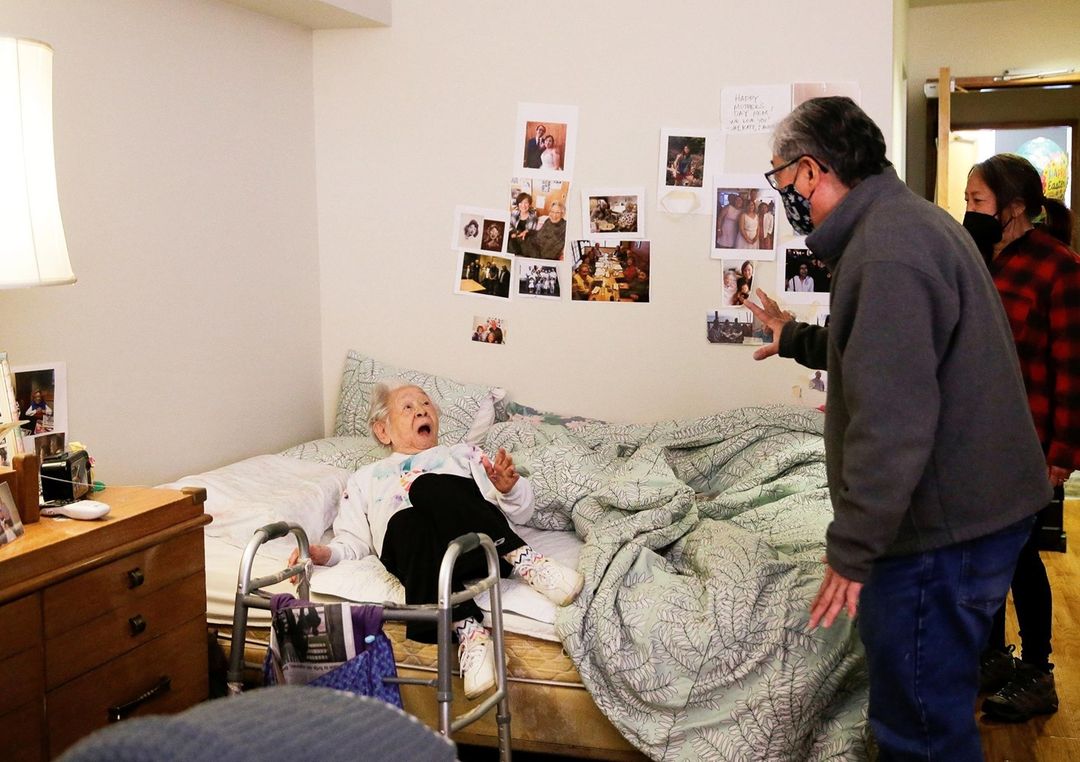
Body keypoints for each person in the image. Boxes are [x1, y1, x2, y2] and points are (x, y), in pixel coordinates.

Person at [745, 96, 1050, 760]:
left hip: (941, 536)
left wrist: (851, 550)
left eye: (780, 181)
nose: (783, 199)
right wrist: (794, 337)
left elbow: (893, 422)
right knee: (936, 713)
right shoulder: (905, 223)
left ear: (810, 171)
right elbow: (890, 352)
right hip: (980, 515)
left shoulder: (885, 251)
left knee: (918, 732)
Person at [289, 382, 584, 699]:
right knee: (404, 522)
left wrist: (509, 489)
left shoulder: (461, 455)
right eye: (407, 406)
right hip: (422, 563)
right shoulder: (365, 478)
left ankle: (527, 562)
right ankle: (470, 634)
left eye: (426, 404)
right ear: (383, 431)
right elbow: (353, 543)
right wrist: (324, 553)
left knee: (425, 486)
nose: (421, 409)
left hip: (478, 548)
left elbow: (518, 512)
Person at [963, 153, 1080, 722]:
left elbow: (1071, 367)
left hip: (1029, 440)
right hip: (974, 436)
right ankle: (994, 656)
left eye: (978, 202)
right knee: (984, 550)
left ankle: (1038, 672)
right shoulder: (980, 259)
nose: (968, 212)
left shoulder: (1057, 266)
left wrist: (1062, 453)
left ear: (1014, 207)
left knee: (1021, 554)